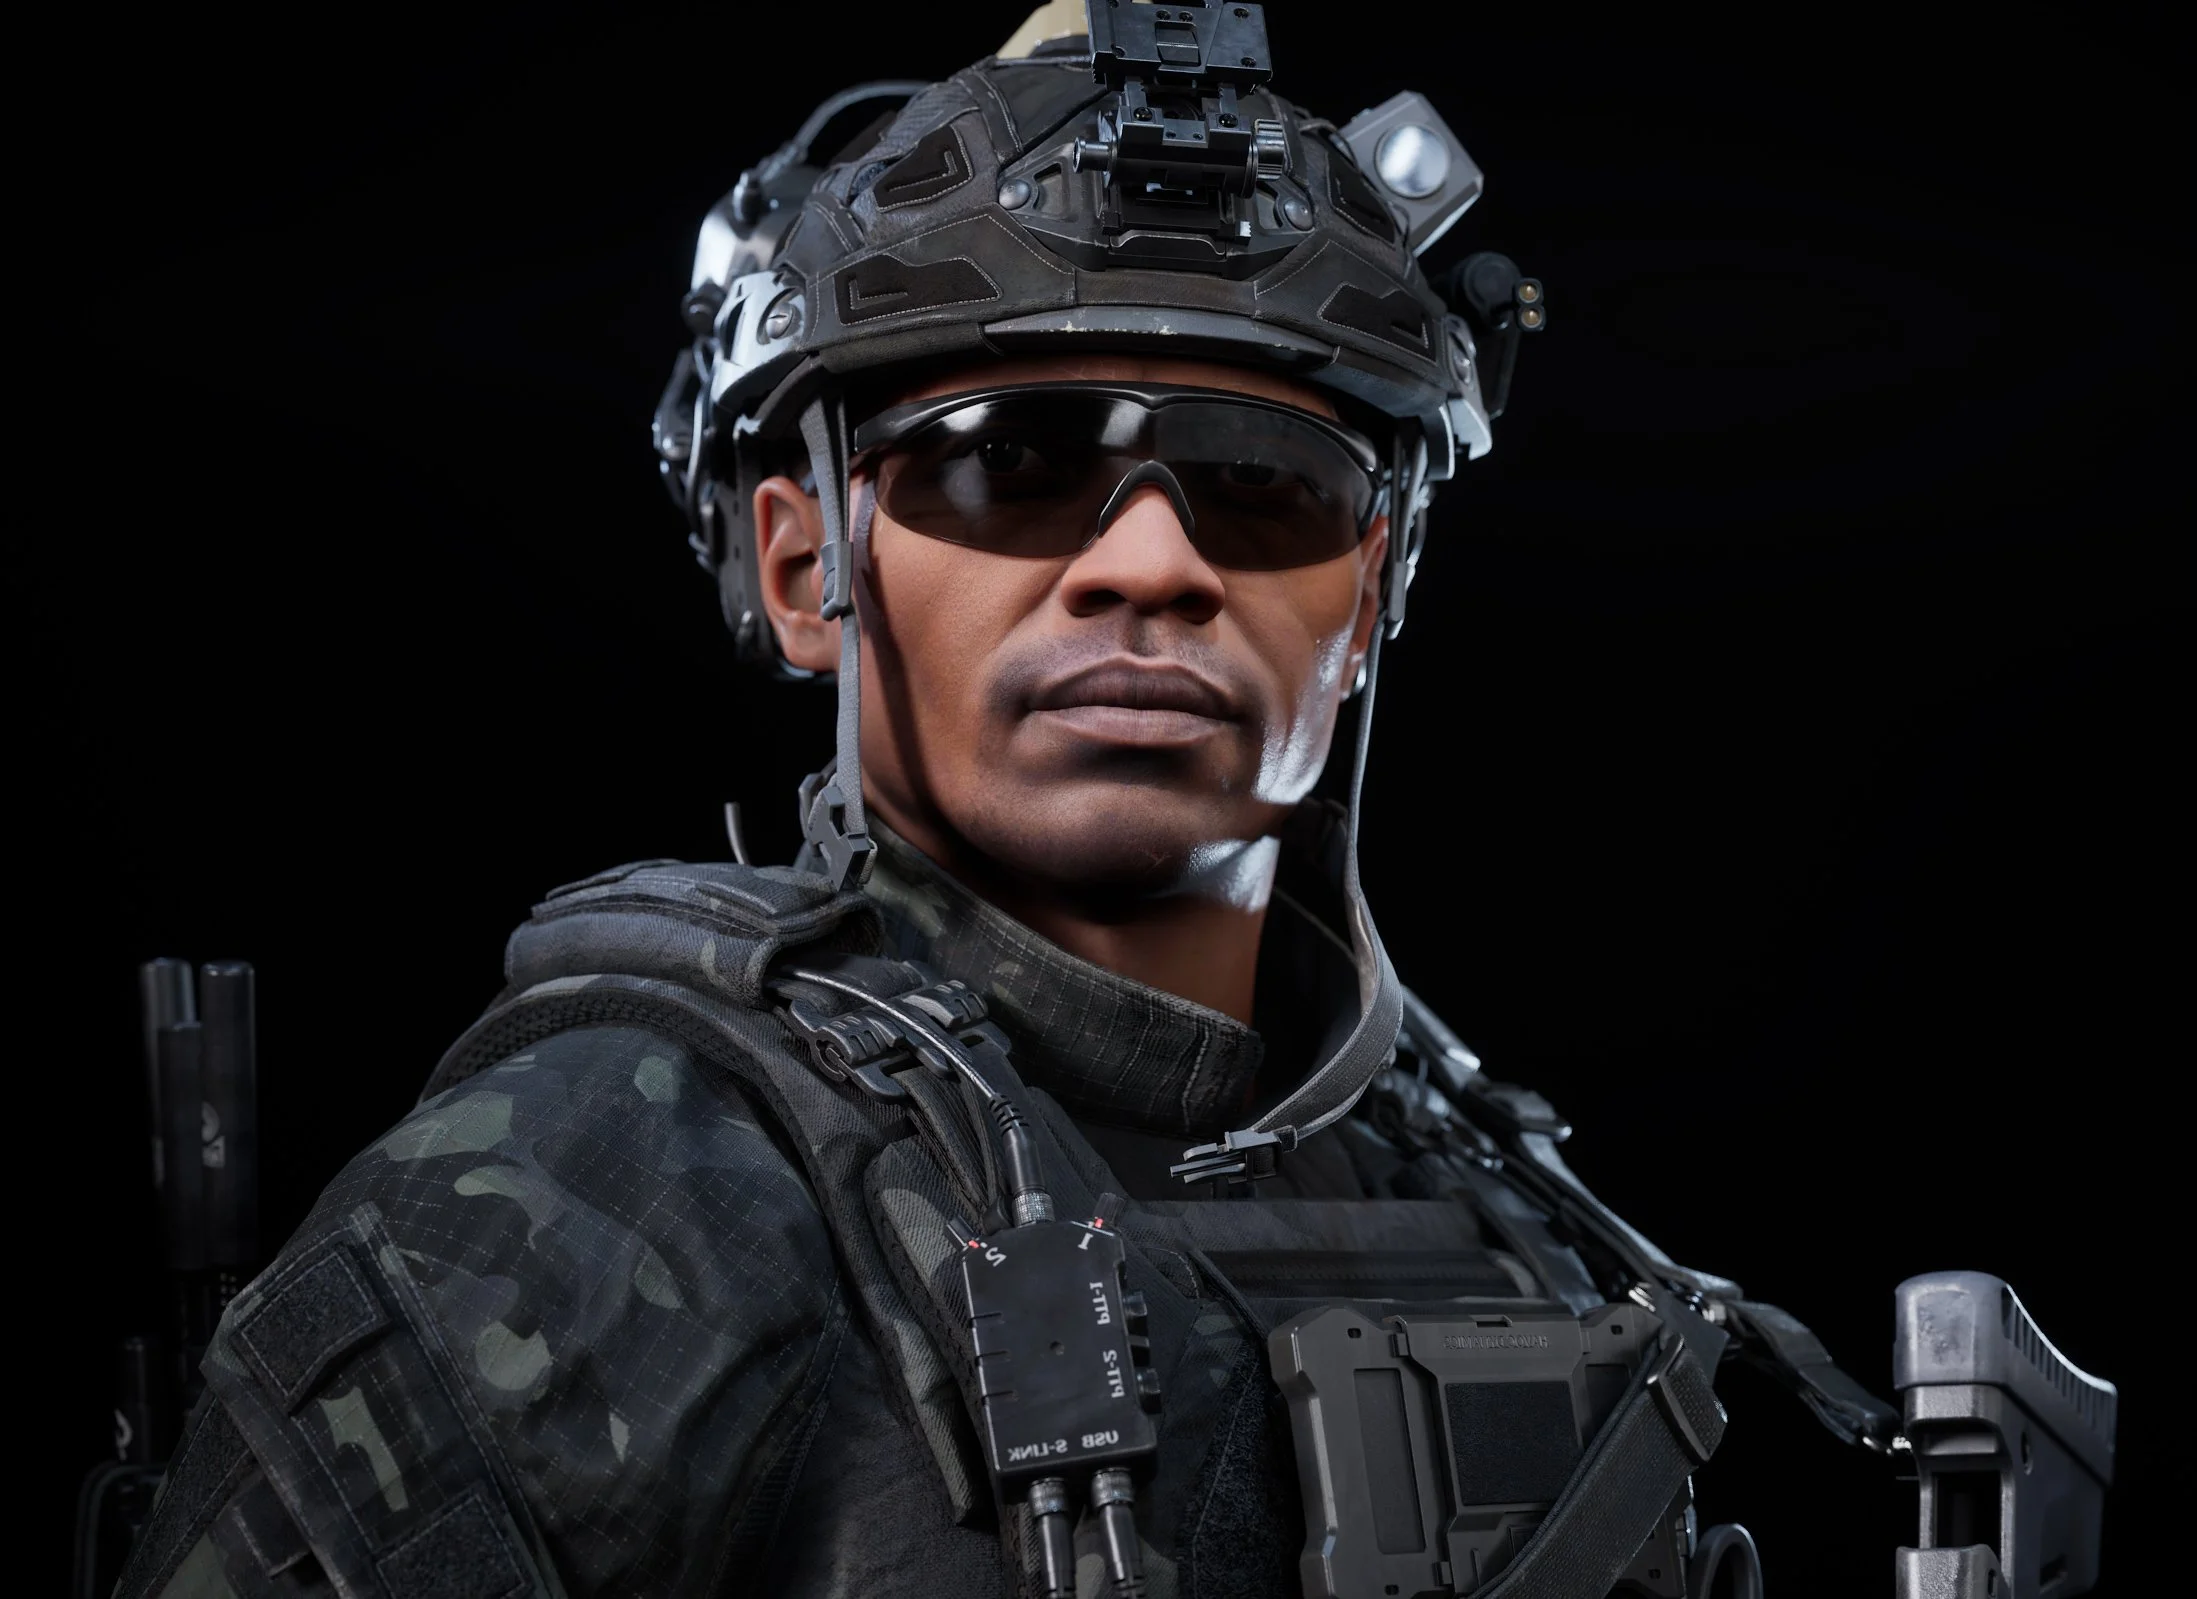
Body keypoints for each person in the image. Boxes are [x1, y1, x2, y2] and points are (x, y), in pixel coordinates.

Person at [114, 6, 1970, 1598]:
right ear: (805, 571)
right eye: (1007, 462)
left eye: (1263, 479)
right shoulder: (598, 1194)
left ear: (1373, 589)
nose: (1151, 564)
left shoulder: (1474, 1188)